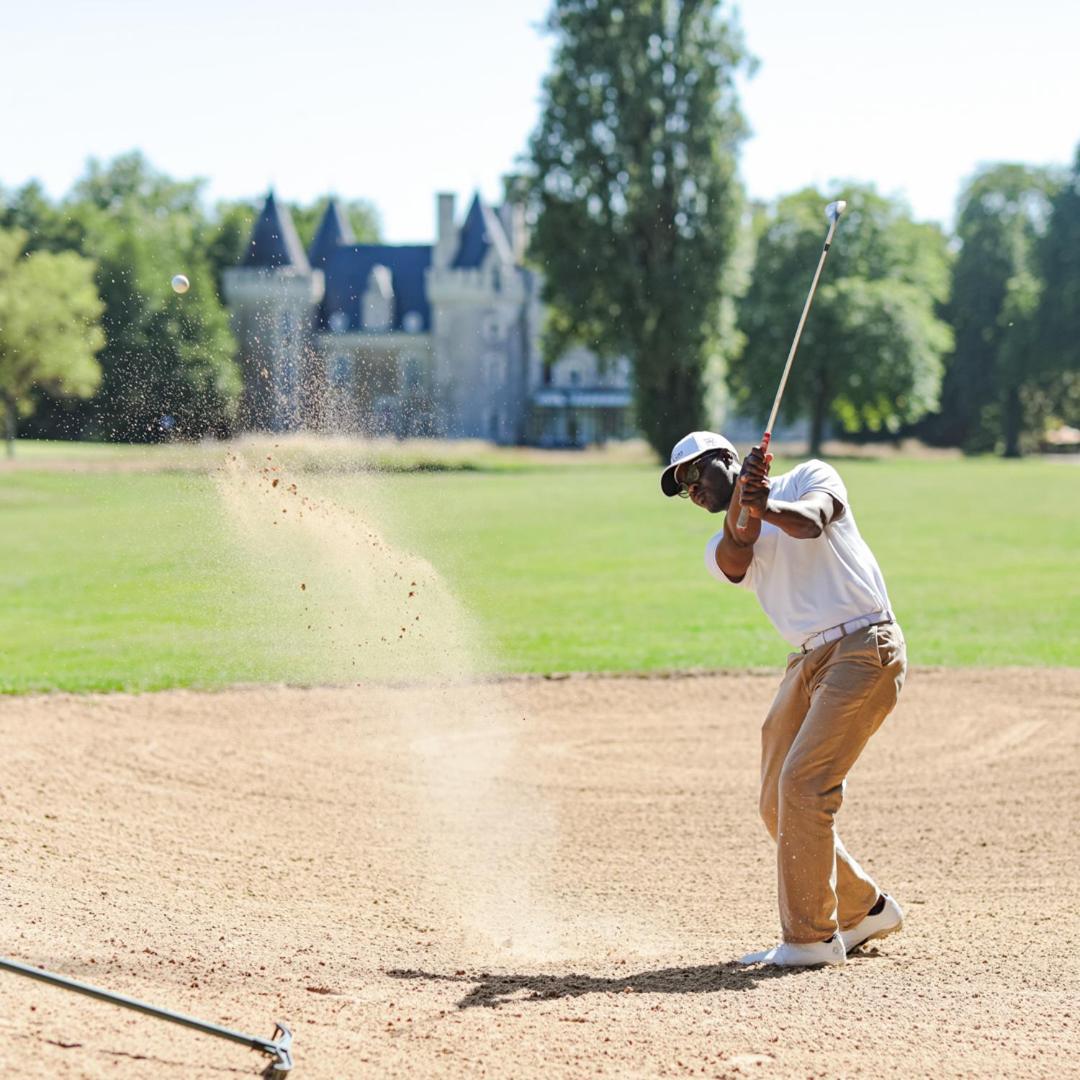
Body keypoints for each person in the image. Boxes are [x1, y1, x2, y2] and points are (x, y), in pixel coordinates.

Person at [660, 431, 907, 968]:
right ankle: (864, 910)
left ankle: (810, 939)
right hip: (807, 659)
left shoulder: (812, 476)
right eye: (682, 485)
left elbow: (812, 521)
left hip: (865, 644)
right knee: (776, 797)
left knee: (803, 785)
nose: (691, 490)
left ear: (728, 459)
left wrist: (764, 496)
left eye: (695, 474)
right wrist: (748, 502)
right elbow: (737, 551)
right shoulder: (719, 542)